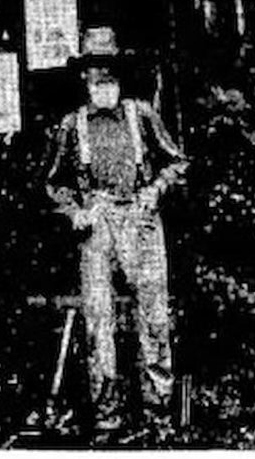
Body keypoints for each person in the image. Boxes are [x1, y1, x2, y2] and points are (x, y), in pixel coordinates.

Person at [43, 26, 188, 439]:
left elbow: (177, 162)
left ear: (120, 79)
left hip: (141, 222)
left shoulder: (140, 115)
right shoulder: (73, 126)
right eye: (94, 76)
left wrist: (155, 191)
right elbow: (53, 182)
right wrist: (74, 211)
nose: (101, 83)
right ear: (84, 80)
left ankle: (158, 412)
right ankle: (108, 416)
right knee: (99, 322)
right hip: (99, 223)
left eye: (108, 75)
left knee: (155, 316)